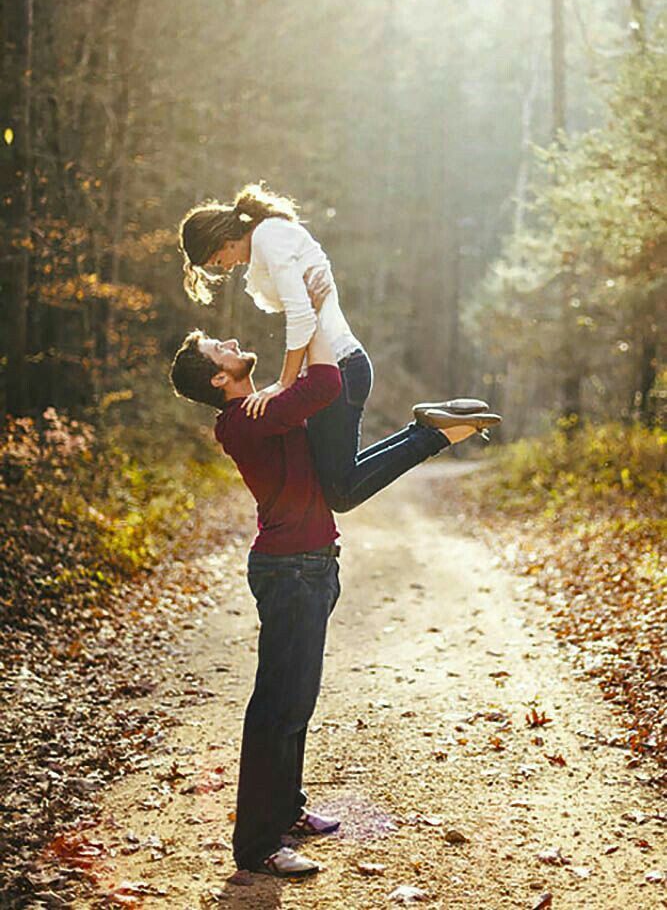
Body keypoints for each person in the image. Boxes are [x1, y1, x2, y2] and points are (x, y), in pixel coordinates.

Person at [168, 304, 493, 877]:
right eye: (218, 347)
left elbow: (337, 475)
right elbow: (325, 382)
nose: (230, 339)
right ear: (219, 378)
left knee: (298, 703)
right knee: (277, 708)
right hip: (289, 571)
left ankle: (286, 812)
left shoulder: (263, 404)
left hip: (314, 566)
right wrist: (307, 308)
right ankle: (258, 845)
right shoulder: (245, 418)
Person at [178, 183, 501, 513]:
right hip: (337, 363)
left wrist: (284, 383)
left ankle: (434, 435)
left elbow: (303, 315)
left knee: (341, 492)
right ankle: (429, 427)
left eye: (219, 260)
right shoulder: (266, 243)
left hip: (340, 365)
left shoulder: (267, 238)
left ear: (223, 239)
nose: (227, 267)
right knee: (339, 478)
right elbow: (304, 311)